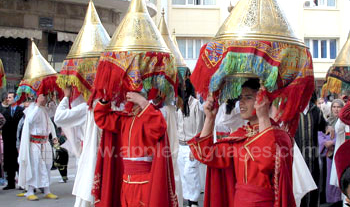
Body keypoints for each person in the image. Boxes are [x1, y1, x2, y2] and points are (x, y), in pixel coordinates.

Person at [188, 78, 295, 207]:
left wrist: (263, 117)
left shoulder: (280, 137)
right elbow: (206, 154)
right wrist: (210, 118)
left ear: (264, 101)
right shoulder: (240, 136)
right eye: (240, 97)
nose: (241, 103)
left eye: (248, 97)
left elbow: (267, 163)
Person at [92, 92, 178, 207]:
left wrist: (143, 102)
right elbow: (102, 118)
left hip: (144, 184)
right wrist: (106, 98)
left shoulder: (151, 115)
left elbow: (159, 127)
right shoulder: (124, 118)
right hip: (126, 182)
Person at [17, 94, 59, 200]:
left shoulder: (45, 109)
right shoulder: (31, 108)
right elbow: (30, 120)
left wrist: (53, 102)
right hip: (34, 143)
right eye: (43, 96)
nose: (45, 99)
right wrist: (38, 105)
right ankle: (30, 191)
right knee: (34, 166)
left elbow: (53, 116)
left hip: (45, 142)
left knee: (47, 165)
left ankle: (47, 190)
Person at [294, 92, 327, 206]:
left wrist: (329, 127)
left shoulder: (316, 111)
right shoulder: (292, 111)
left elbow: (323, 125)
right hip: (296, 159)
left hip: (313, 157)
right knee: (298, 188)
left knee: (313, 185)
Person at [176, 79, 204, 207]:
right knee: (183, 175)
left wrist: (195, 147)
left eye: (183, 87)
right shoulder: (178, 105)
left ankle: (194, 201)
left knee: (190, 173)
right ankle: (187, 201)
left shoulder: (196, 104)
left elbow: (200, 127)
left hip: (191, 146)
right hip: (180, 145)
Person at [2, 91, 24, 190]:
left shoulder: (22, 111)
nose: (8, 99)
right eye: (7, 97)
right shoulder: (5, 112)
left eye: (10, 97)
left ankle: (22, 182)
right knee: (9, 161)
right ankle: (10, 183)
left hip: (18, 139)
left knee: (19, 161)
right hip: (8, 140)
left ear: (15, 98)